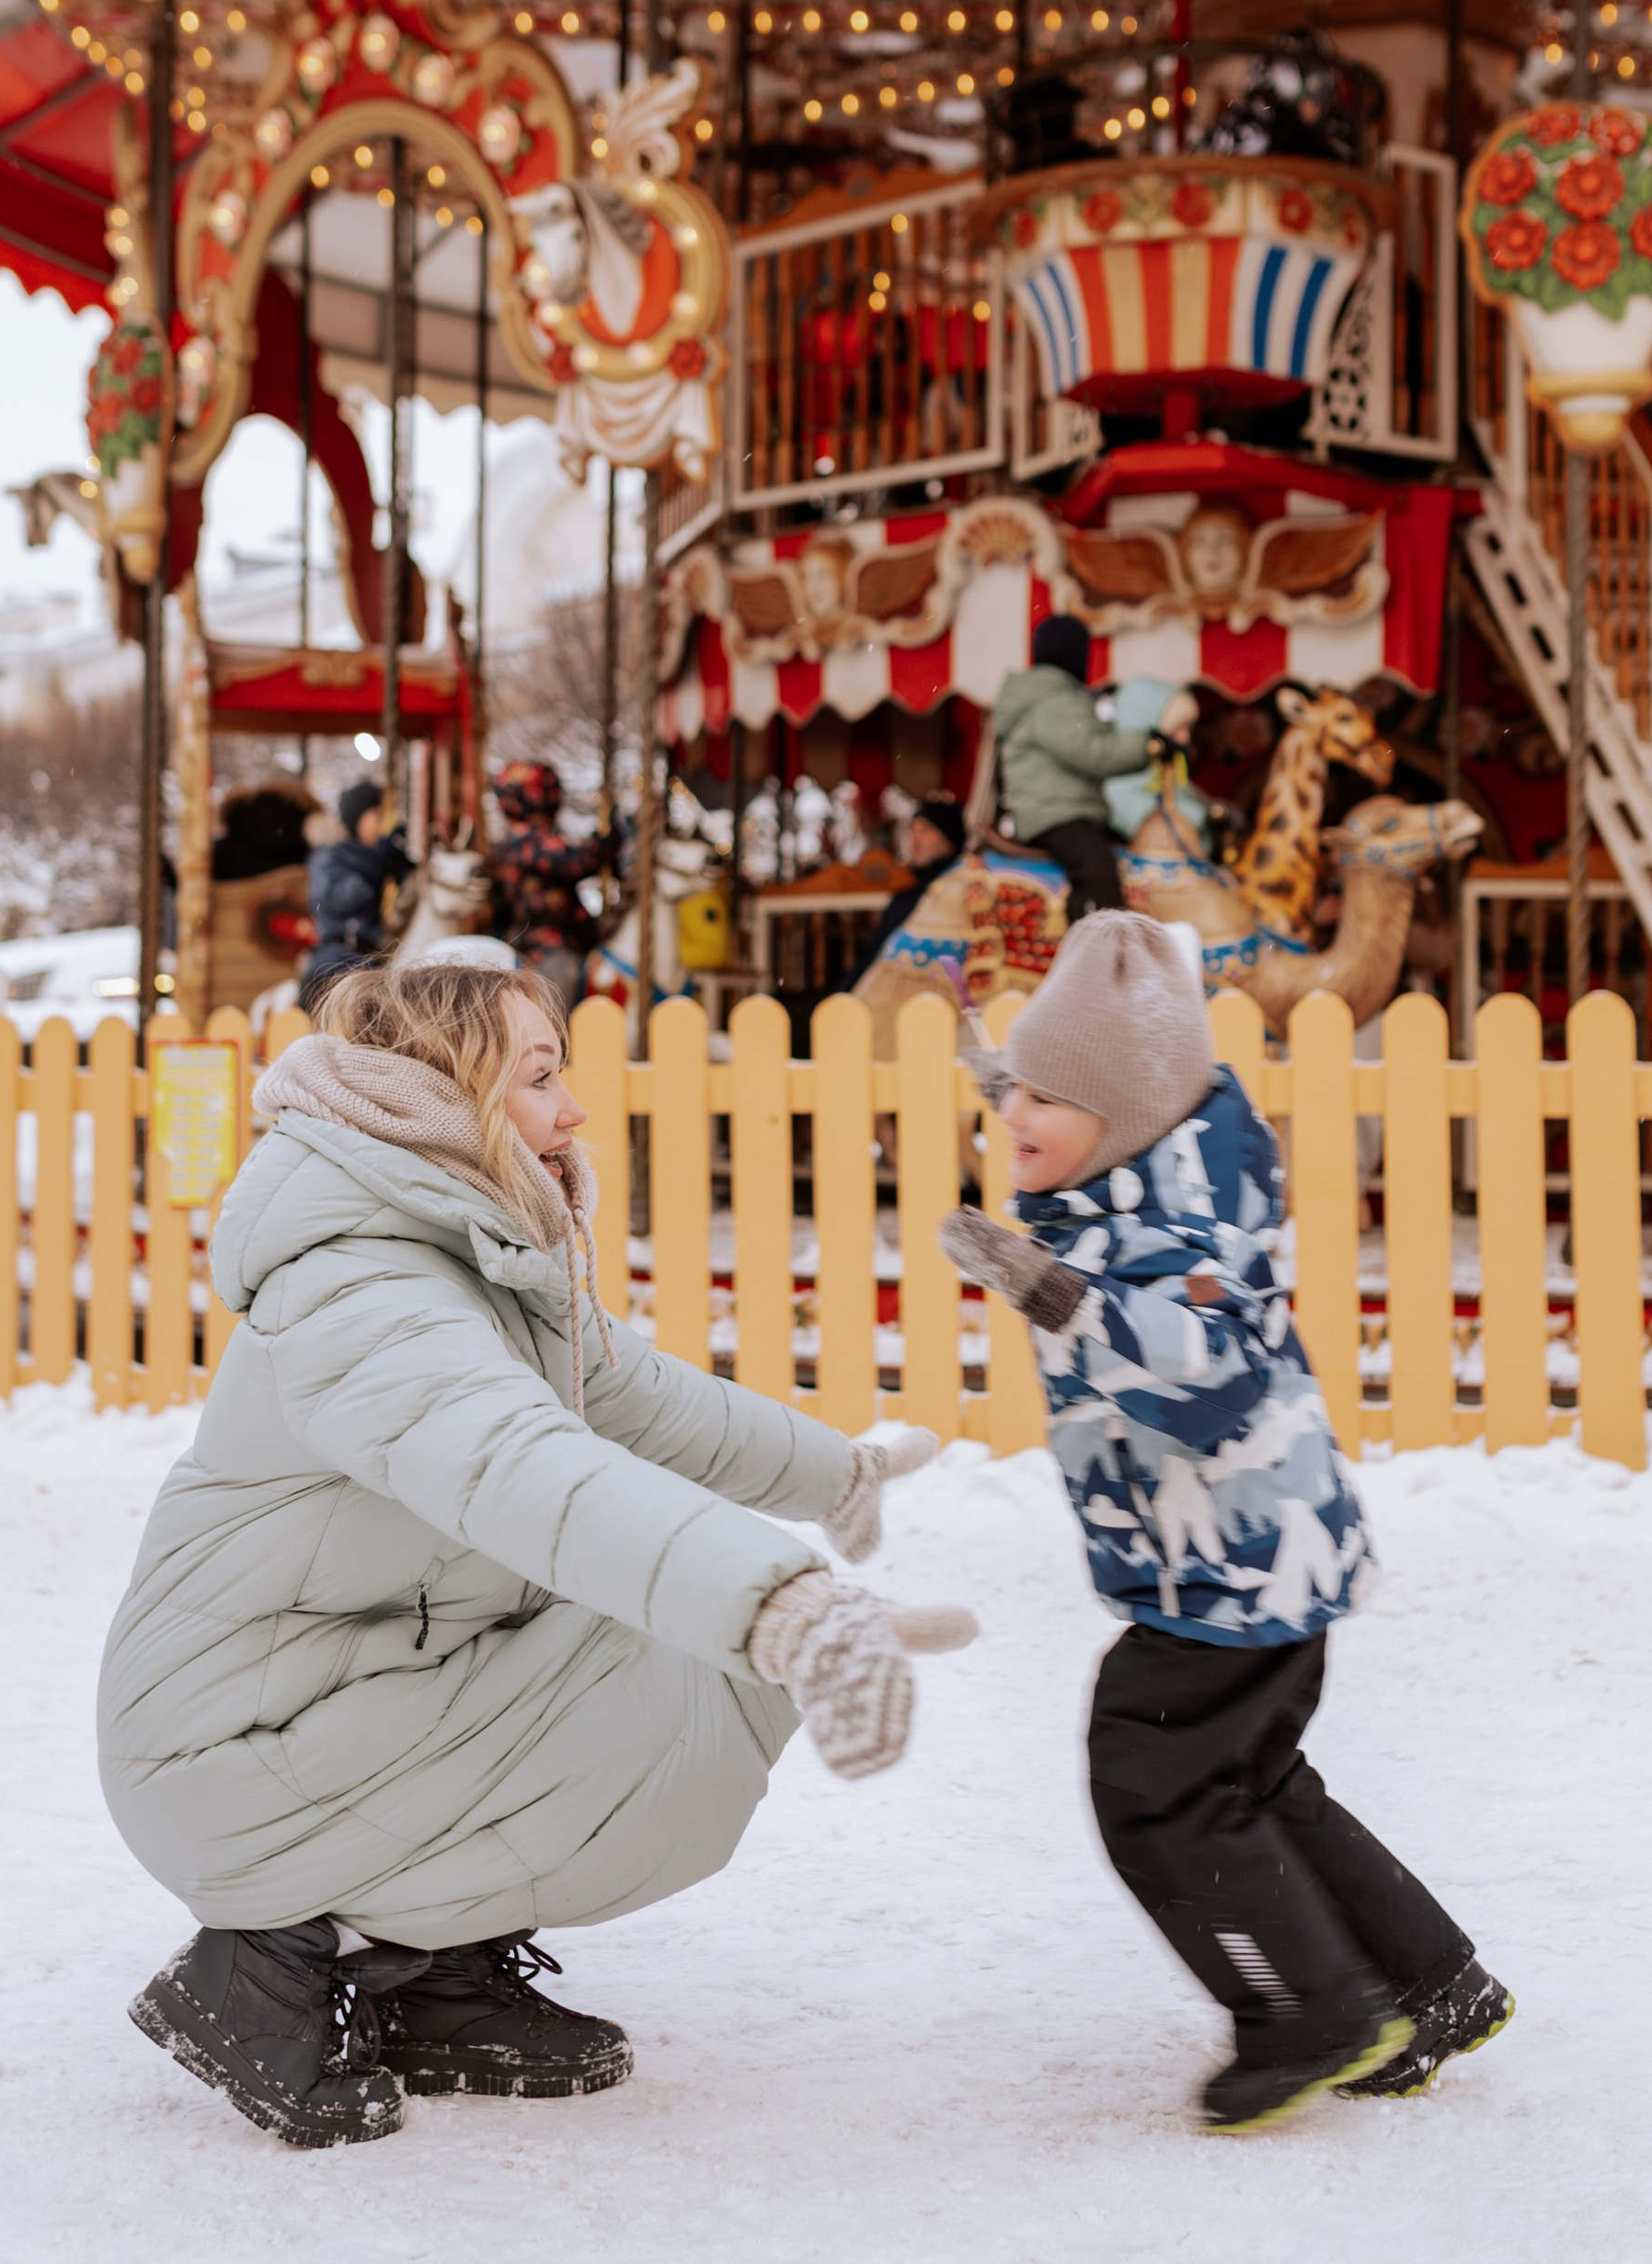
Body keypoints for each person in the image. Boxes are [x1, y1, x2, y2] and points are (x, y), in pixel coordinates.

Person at [99, 961, 971, 2147]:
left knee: (689, 1656)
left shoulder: (457, 1250)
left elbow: (632, 1399)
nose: (572, 1111)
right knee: (703, 1668)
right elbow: (519, 1466)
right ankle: (264, 1967)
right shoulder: (362, 1284)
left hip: (340, 1699)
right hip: (228, 1754)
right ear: (444, 1094)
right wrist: (781, 1609)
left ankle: (426, 1967)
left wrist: (836, 1477)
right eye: (541, 1076)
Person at [937, 913, 1509, 2133]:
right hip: (1240, 1573)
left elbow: (1203, 1374)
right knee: (1254, 1781)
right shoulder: (1146, 1171)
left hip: (1231, 1580)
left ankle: (1307, 2011)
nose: (1013, 1117)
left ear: (1122, 1120)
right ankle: (1427, 1981)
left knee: (1153, 1779)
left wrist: (1043, 1286)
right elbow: (1089, 1098)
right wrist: (995, 1056)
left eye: (1041, 1099)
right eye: (1014, 1092)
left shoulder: (1181, 1241)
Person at [990, 615, 1195, 924]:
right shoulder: (1053, 701)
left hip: (1066, 809)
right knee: (1096, 870)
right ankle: (1095, 952)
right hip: (1054, 813)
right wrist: (1150, 743)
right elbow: (1094, 753)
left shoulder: (1049, 697)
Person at [488, 758, 612, 1011]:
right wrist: (605, 844)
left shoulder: (526, 835)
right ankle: (557, 1036)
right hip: (547, 940)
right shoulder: (530, 838)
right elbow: (575, 863)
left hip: (565, 934)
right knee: (558, 981)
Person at [300, 778, 409, 1009]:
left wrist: (400, 864)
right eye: (376, 818)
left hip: (369, 958)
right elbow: (345, 898)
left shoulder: (367, 856)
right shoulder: (329, 857)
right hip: (334, 958)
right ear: (356, 817)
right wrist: (376, 862)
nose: (379, 828)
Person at [858, 790, 969, 968]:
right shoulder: (908, 891)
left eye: (925, 830)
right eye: (913, 830)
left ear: (949, 838)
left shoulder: (962, 888)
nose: (915, 839)